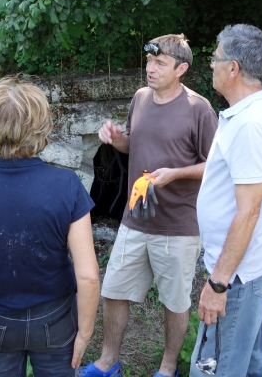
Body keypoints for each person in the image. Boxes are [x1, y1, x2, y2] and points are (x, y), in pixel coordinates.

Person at [82, 34, 218, 377]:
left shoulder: (198, 109)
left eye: (160, 63)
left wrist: (175, 175)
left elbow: (216, 166)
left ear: (182, 69)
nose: (150, 69)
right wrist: (117, 140)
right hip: (134, 219)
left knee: (174, 303)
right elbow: (134, 143)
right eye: (148, 62)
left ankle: (167, 368)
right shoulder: (140, 98)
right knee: (114, 291)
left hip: (178, 226)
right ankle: (108, 362)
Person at [0, 77, 100, 377]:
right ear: (42, 126)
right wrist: (84, 331)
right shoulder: (67, 185)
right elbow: (88, 276)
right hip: (53, 318)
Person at [190, 24, 262, 377]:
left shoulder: (251, 125)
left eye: (215, 59)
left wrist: (218, 284)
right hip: (249, 268)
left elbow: (249, 211)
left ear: (232, 68)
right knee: (249, 363)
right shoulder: (247, 115)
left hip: (240, 275)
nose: (211, 65)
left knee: (213, 367)